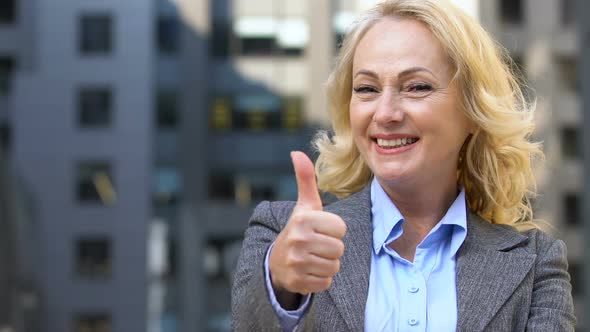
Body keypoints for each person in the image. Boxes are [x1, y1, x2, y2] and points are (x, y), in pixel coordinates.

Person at [231, 0, 576, 331]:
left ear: (473, 110)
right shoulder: (281, 234)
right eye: (366, 88)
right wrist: (280, 286)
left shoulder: (536, 263)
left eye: (417, 87)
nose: (385, 113)